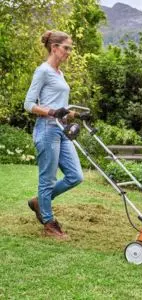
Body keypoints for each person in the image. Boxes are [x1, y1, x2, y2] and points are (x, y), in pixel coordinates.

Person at [24, 30, 87, 239]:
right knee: (47, 179)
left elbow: (59, 104)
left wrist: (72, 112)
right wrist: (51, 111)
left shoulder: (60, 73)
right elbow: (29, 104)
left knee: (75, 176)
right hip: (47, 130)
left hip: (61, 130)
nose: (69, 52)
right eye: (66, 48)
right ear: (54, 48)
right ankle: (49, 224)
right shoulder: (43, 71)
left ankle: (39, 202)